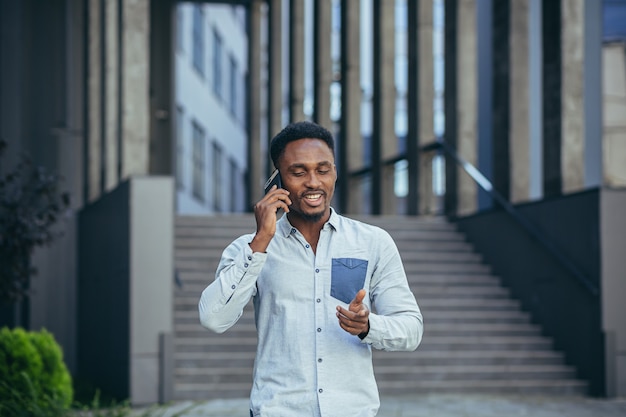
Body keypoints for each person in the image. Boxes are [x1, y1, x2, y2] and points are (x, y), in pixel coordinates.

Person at [199, 121, 423, 416]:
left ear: (335, 173)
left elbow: (411, 329)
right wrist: (262, 240)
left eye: (323, 169)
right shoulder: (249, 249)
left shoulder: (374, 242)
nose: (314, 182)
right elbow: (213, 318)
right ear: (277, 180)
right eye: (298, 172)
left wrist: (369, 326)